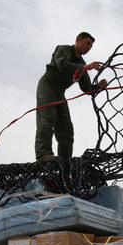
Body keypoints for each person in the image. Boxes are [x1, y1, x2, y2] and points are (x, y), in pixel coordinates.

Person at [34, 32, 108, 161]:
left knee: (66, 128)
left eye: (91, 46)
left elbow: (86, 88)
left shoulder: (82, 63)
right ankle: (43, 154)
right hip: (48, 86)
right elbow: (62, 65)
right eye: (87, 43)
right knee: (47, 120)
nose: (89, 48)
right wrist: (86, 67)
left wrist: (98, 87)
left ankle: (65, 160)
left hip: (60, 92)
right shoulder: (63, 49)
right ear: (78, 40)